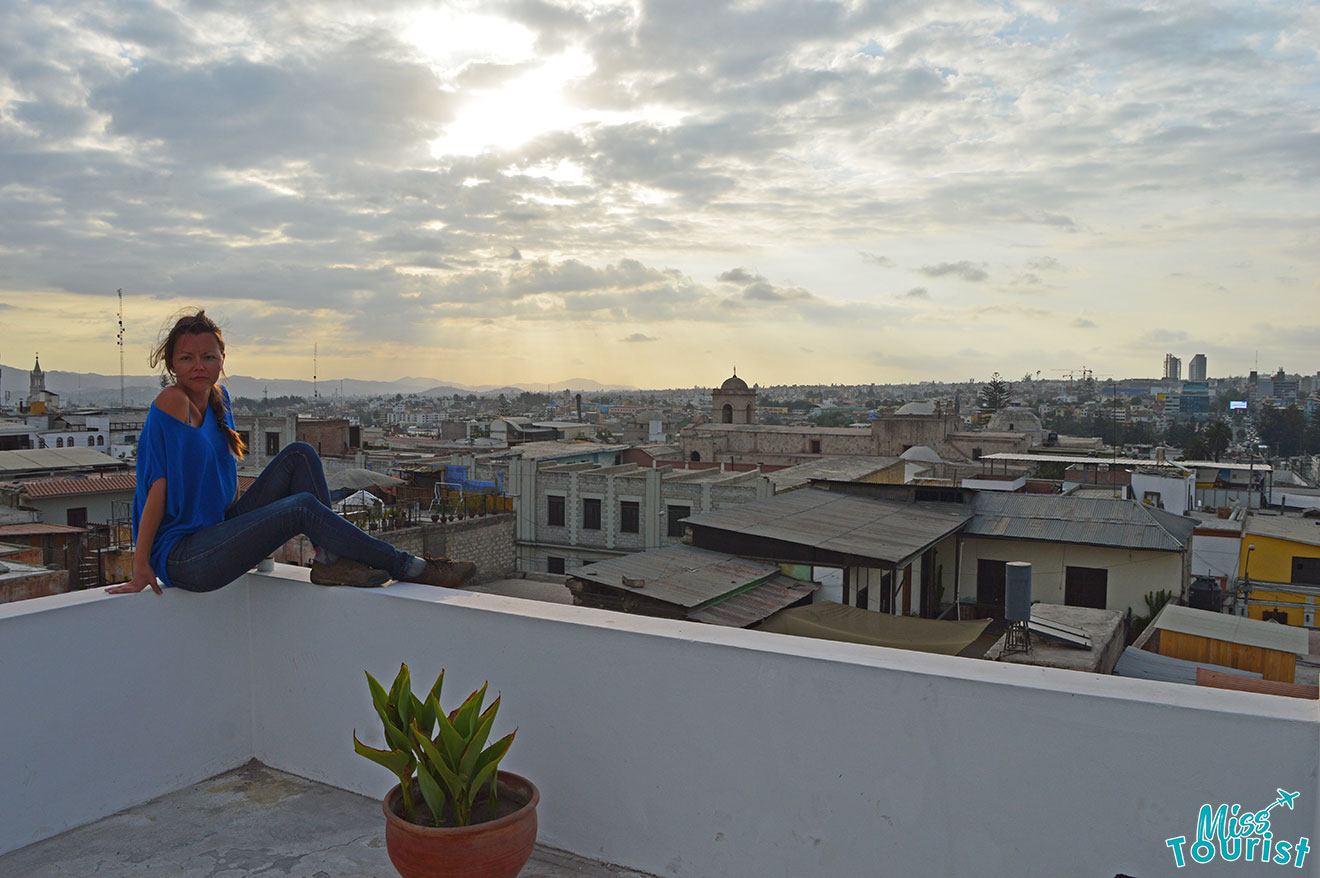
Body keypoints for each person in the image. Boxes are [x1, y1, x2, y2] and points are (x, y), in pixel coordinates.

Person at [107, 310, 474, 595]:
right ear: (172, 364)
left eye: (208, 356)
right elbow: (156, 486)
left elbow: (218, 483)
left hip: (217, 533)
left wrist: (244, 537)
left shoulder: (221, 400)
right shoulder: (173, 402)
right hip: (184, 557)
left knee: (299, 454)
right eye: (187, 358)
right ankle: (412, 567)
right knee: (301, 508)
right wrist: (142, 565)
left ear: (222, 359)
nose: (199, 366)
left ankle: (330, 559)